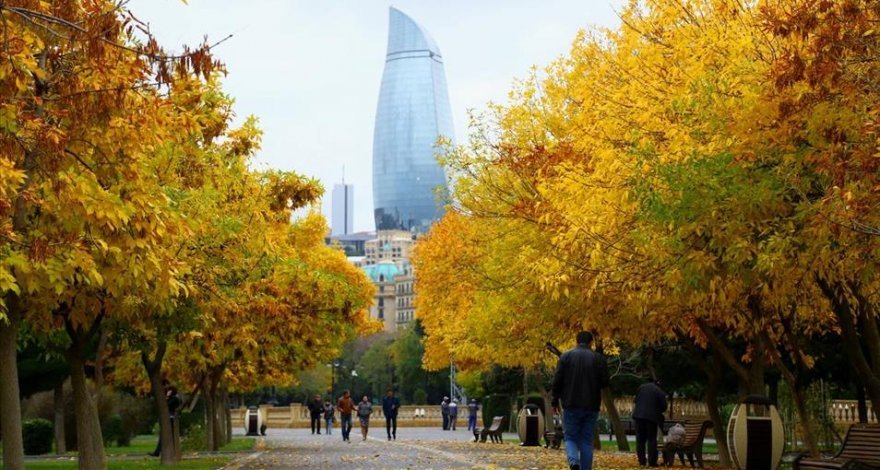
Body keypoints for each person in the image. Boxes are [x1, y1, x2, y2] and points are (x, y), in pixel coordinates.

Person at [551, 331, 609, 470]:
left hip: (571, 403)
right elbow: (605, 382)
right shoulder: (598, 358)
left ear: (576, 342)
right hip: (591, 405)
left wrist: (555, 400)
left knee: (570, 437)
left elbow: (557, 380)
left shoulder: (566, 357)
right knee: (586, 440)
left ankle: (573, 462)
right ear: (591, 343)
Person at [632, 378, 668, 467]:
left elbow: (635, 400)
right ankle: (652, 462)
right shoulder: (660, 392)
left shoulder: (642, 387)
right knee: (651, 440)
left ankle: (642, 461)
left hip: (638, 416)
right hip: (651, 419)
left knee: (640, 440)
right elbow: (664, 407)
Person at [150, 382, 181, 457]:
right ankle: (158, 452)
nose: (168, 392)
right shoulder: (170, 398)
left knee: (168, 436)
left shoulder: (174, 399)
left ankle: (163, 452)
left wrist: (167, 397)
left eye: (169, 390)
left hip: (171, 419)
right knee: (164, 436)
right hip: (168, 419)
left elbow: (167, 405)